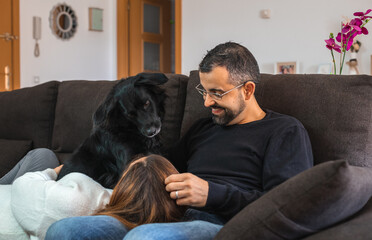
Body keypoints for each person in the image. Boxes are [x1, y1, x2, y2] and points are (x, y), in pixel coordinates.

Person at [45, 41, 313, 240]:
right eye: (204, 91)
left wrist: (211, 194)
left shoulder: (284, 131)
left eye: (217, 93)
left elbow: (288, 205)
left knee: (147, 238)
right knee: (65, 229)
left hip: (225, 223)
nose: (207, 102)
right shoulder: (203, 128)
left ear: (248, 89)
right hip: (161, 213)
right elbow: (159, 164)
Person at [0, 151, 185, 240]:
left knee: (43, 154)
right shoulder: (152, 219)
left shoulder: (75, 204)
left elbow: (22, 184)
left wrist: (54, 172)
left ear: (126, 182)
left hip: (9, 198)